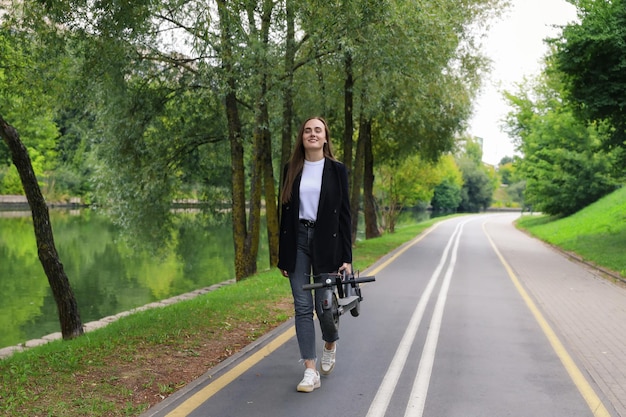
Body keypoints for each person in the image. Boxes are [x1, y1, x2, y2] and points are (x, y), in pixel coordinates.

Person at [278, 117, 353, 393]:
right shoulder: (290, 169)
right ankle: (310, 370)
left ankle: (330, 342)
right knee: (302, 306)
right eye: (307, 130)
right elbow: (283, 213)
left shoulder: (337, 170)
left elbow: (345, 214)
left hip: (327, 242)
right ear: (302, 137)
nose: (312, 134)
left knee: (324, 307)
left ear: (325, 138)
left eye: (317, 130)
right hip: (297, 240)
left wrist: (347, 256)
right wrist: (282, 255)